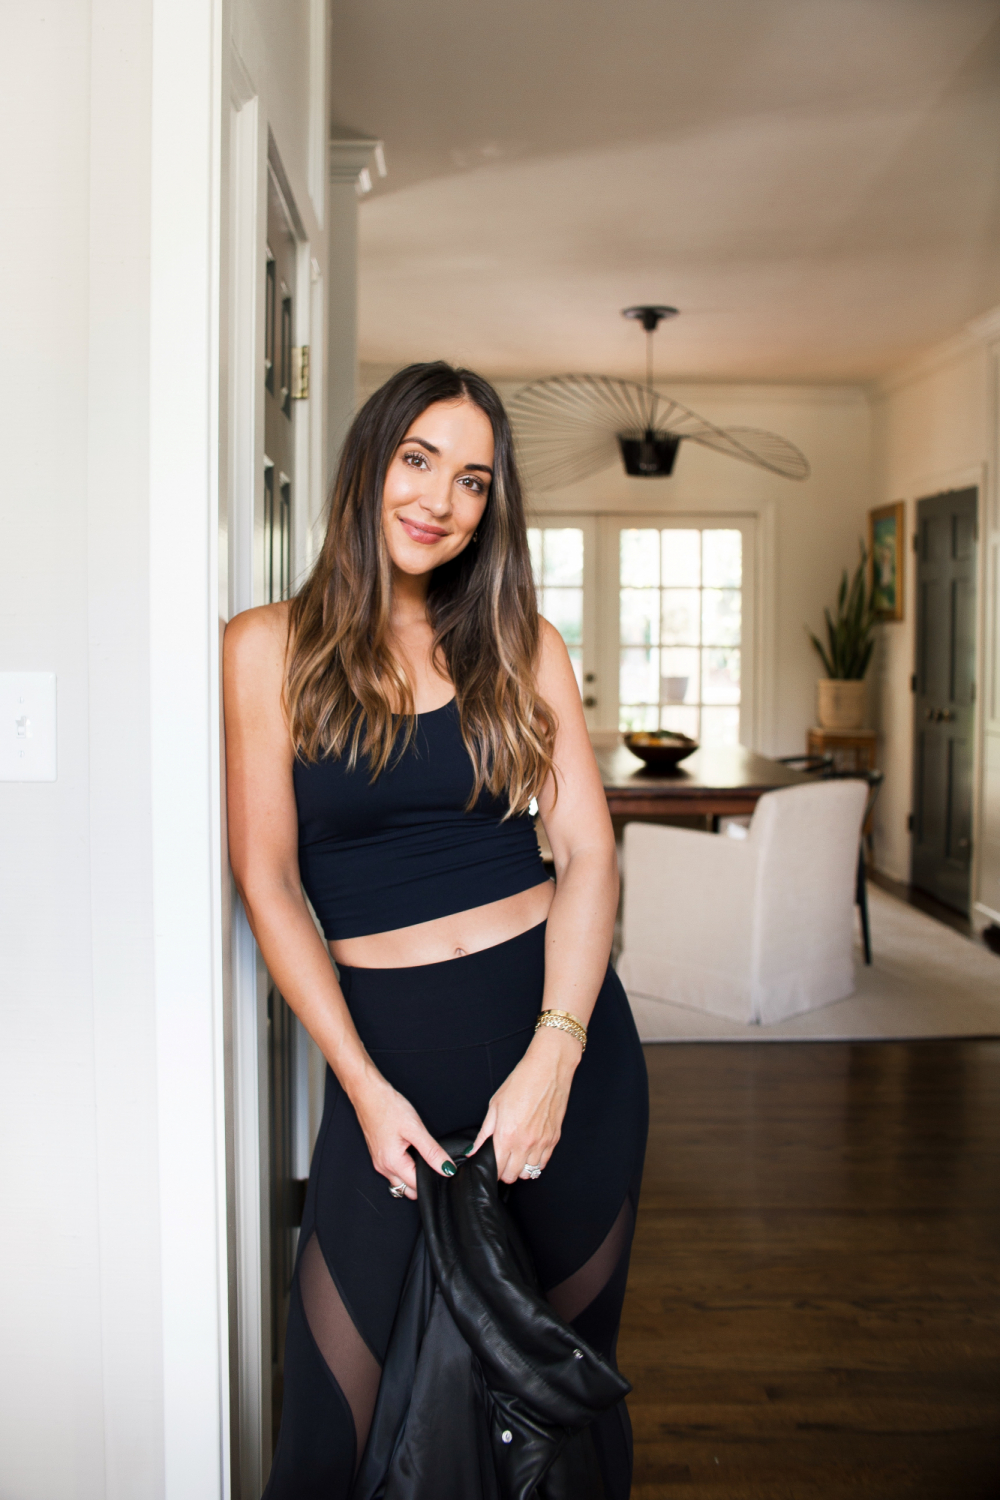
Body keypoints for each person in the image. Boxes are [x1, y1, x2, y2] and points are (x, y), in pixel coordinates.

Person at [224, 361, 648, 1499]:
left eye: (473, 480)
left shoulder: (520, 642)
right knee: (334, 1421)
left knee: (551, 1401)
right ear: (370, 461)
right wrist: (360, 1086)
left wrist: (557, 1054)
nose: (441, 501)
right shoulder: (266, 647)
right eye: (419, 461)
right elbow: (268, 881)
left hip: (560, 1053)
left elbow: (590, 854)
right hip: (391, 1068)